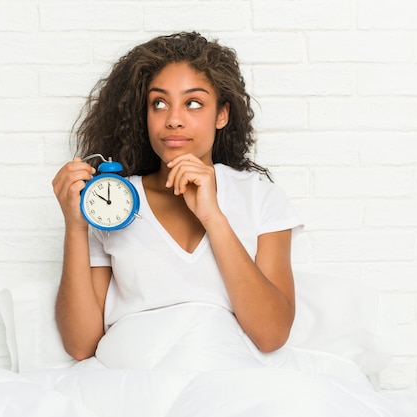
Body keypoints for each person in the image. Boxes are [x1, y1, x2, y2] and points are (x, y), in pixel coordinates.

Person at [51, 31, 303, 363]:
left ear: (222, 114)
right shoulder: (111, 202)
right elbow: (81, 345)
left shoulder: (258, 196)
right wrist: (75, 226)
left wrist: (214, 218)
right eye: (159, 103)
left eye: (193, 103)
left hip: (221, 371)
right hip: (129, 377)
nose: (173, 119)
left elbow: (271, 334)